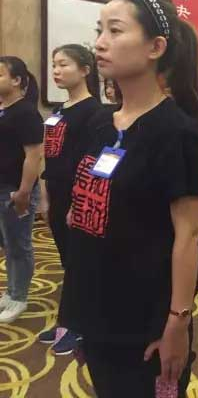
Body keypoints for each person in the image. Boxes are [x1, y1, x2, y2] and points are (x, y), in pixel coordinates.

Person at [59, 0, 198, 397]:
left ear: (155, 47)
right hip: (95, 302)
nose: (100, 43)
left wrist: (177, 321)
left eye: (115, 30)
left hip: (144, 317)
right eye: (99, 30)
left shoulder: (176, 132)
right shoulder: (101, 123)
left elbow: (188, 235)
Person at [38, 44, 102, 355]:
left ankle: (79, 324)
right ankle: (71, 318)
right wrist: (45, 195)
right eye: (54, 65)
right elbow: (50, 156)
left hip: (78, 196)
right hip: (56, 193)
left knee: (81, 262)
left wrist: (79, 203)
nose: (56, 71)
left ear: (85, 70)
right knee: (68, 260)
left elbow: (91, 162)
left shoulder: (95, 112)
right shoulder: (59, 111)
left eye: (64, 64)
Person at [0, 56, 43, 323]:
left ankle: (19, 297)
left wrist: (24, 193)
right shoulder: (4, 109)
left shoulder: (26, 112)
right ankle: (11, 291)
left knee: (19, 244)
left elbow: (34, 156)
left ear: (16, 80)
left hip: (16, 190)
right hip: (3, 187)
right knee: (9, 244)